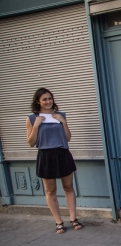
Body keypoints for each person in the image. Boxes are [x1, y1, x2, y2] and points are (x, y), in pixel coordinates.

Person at [26, 88, 83, 234]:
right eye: (44, 99)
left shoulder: (60, 115)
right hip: (46, 155)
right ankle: (58, 222)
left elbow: (68, 138)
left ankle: (73, 218)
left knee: (69, 187)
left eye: (50, 98)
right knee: (50, 190)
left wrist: (63, 122)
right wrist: (36, 125)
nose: (48, 101)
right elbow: (31, 142)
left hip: (62, 153)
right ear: (38, 101)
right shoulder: (32, 118)